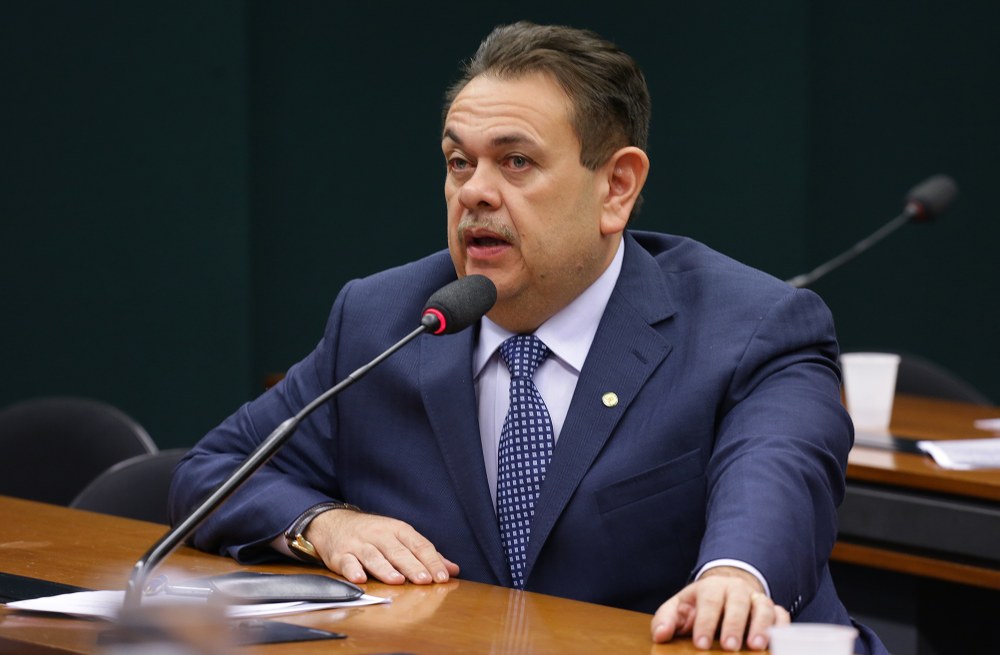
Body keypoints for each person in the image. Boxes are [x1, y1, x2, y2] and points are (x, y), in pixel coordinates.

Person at [169, 22, 886, 654]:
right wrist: (324, 524)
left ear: (617, 187)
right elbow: (215, 470)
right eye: (459, 162)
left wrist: (735, 575)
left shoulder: (750, 325)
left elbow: (780, 471)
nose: (474, 192)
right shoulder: (384, 318)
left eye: (516, 162)